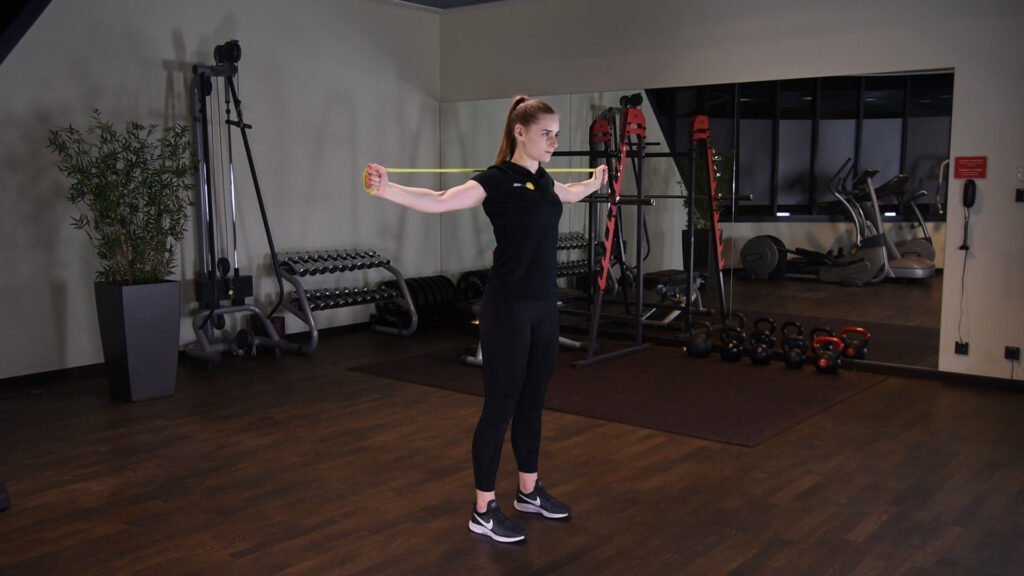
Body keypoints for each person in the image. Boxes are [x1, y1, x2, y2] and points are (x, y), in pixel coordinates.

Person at [364, 95, 607, 544]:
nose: (554, 142)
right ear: (520, 132)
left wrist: (595, 182)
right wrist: (387, 189)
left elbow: (570, 194)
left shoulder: (545, 182)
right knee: (500, 407)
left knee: (533, 402)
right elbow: (440, 200)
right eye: (546, 134)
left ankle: (529, 492)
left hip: (542, 308)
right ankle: (483, 509)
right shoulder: (495, 181)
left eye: (556, 134)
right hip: (508, 308)